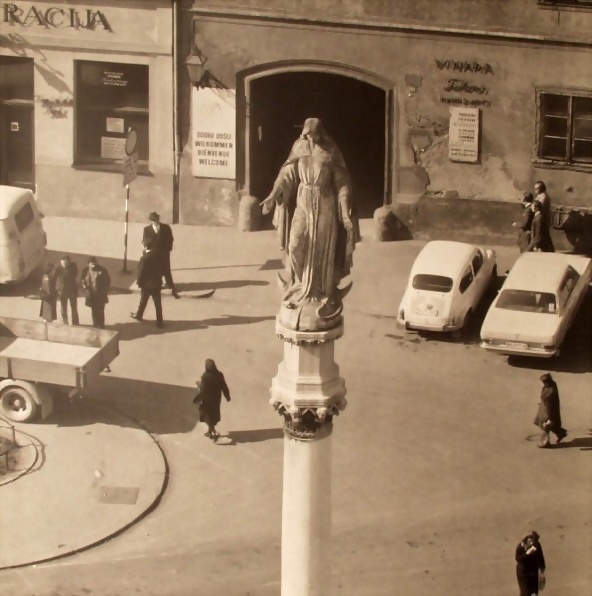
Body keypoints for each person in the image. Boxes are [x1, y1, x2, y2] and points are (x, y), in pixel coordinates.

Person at [260, 117, 356, 317]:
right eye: (308, 136)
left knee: (321, 249)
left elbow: (342, 182)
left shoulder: (331, 150)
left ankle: (321, 290)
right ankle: (299, 283)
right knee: (295, 244)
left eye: (314, 136)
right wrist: (273, 194)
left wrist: (345, 210)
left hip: (325, 204)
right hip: (303, 200)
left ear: (321, 134)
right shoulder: (299, 146)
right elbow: (286, 173)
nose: (311, 141)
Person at [142, 212, 179, 298]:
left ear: (158, 219)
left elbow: (170, 239)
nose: (155, 222)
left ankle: (171, 285)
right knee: (154, 271)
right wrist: (146, 251)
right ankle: (156, 285)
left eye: (156, 220)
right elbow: (145, 241)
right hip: (152, 254)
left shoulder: (166, 228)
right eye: (153, 220)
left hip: (164, 254)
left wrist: (168, 249)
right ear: (151, 221)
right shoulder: (147, 229)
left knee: (166, 270)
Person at [193, 358, 231, 440]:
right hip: (216, 399)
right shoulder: (219, 374)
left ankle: (211, 431)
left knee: (206, 415)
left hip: (207, 400)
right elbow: (224, 386)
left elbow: (203, 390)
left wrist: (197, 398)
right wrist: (227, 396)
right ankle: (211, 430)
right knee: (213, 414)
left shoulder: (205, 376)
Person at [131, 241, 164, 328]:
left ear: (145, 247)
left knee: (143, 301)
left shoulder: (144, 258)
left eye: (142, 245)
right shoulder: (158, 256)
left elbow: (140, 272)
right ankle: (159, 322)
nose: (141, 247)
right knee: (157, 303)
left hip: (147, 285)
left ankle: (139, 315)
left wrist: (139, 283)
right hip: (156, 283)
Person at [534, 373, 567, 448]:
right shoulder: (551, 386)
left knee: (546, 427)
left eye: (544, 382)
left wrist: (549, 418)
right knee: (553, 425)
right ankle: (561, 433)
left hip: (548, 413)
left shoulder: (550, 392)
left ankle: (545, 443)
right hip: (545, 410)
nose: (543, 384)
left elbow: (549, 406)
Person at [81, 257, 111, 329]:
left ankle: (101, 326)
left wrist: (104, 290)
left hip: (100, 294)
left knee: (100, 311)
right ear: (88, 264)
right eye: (91, 263)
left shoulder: (102, 270)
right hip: (91, 295)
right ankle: (95, 325)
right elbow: (82, 281)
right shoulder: (85, 271)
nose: (93, 265)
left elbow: (107, 281)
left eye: (94, 263)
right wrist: (85, 289)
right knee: (94, 310)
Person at [515, 531, 546, 595]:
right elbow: (518, 559)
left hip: (532, 572)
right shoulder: (520, 547)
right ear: (526, 542)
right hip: (523, 572)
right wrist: (527, 553)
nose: (532, 543)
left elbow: (540, 556)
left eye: (532, 541)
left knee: (530, 591)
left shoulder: (536, 545)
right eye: (530, 542)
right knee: (525, 592)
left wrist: (542, 571)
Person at [54, 254, 79, 325]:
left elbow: (75, 274)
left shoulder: (73, 266)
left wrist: (66, 271)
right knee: (63, 308)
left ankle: (75, 322)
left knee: (74, 307)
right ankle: (65, 322)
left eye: (67, 263)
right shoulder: (58, 267)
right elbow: (54, 277)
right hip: (62, 291)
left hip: (72, 290)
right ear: (61, 262)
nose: (66, 264)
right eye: (64, 263)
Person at [533, 181, 555, 252]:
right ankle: (548, 249)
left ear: (541, 188)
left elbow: (538, 207)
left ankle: (545, 249)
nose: (535, 190)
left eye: (536, 188)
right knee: (544, 234)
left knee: (542, 233)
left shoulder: (544, 197)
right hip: (541, 218)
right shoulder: (540, 196)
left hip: (543, 218)